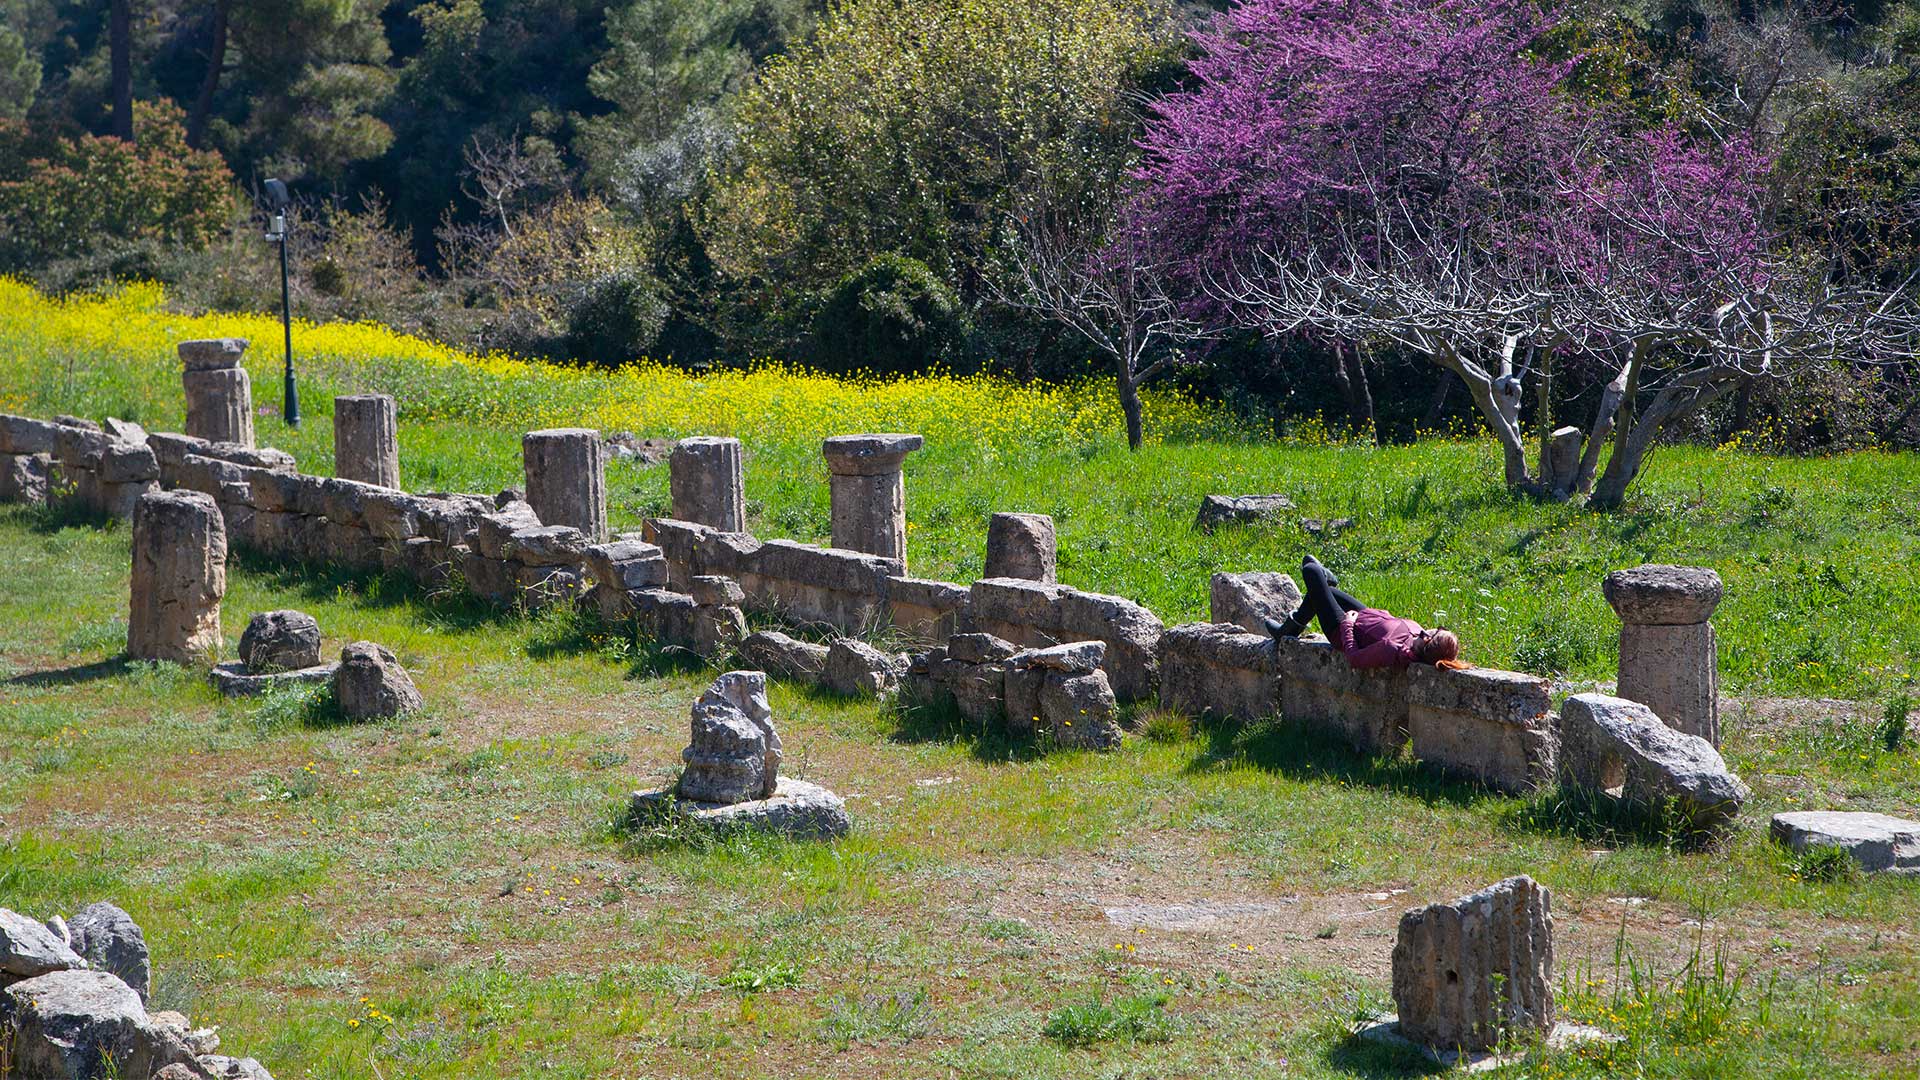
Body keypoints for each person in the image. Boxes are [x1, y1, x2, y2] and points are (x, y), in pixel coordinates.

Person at [1263, 555, 1462, 670]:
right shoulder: (1415, 641)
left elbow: (1355, 658)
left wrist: (1347, 625)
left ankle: (1291, 625)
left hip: (1341, 626)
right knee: (1325, 591)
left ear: (1428, 638)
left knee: (1311, 570)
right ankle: (1289, 629)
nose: (1434, 627)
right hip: (1364, 616)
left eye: (1437, 630)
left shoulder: (1394, 650)